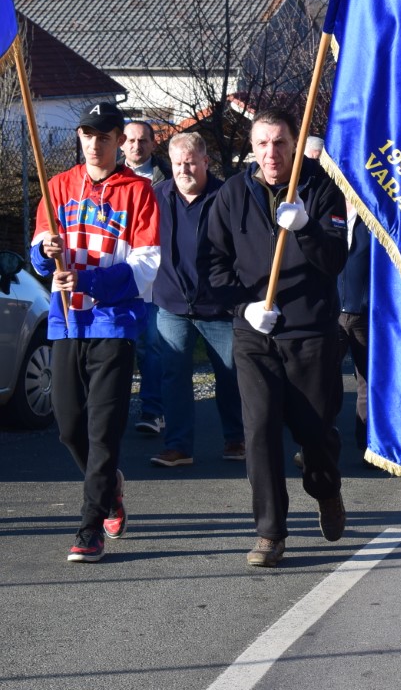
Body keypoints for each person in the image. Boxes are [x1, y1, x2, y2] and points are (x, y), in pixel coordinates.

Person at [205, 108, 348, 568]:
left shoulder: (322, 189)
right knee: (260, 431)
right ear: (252, 147)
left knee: (314, 430)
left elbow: (335, 260)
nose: (271, 152)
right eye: (262, 143)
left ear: (295, 144)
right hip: (255, 333)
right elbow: (212, 264)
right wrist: (242, 306)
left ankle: (326, 488)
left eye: (280, 143)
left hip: (310, 333)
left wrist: (306, 228)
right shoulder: (231, 194)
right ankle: (270, 533)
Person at [30, 102, 160, 562]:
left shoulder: (140, 192)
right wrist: (46, 252)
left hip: (115, 323)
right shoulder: (59, 186)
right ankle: (110, 486)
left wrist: (87, 280)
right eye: (88, 134)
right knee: (69, 429)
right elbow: (37, 254)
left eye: (105, 135)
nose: (95, 142)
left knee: (103, 430)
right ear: (81, 138)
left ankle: (90, 528)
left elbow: (146, 268)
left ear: (119, 141)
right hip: (66, 322)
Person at [149, 132, 244, 468]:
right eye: (177, 163)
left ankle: (237, 439)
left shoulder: (227, 196)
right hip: (172, 304)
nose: (184, 169)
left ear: (206, 161)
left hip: (219, 306)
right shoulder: (157, 196)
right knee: (173, 375)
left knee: (231, 374)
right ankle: (178, 446)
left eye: (190, 162)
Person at [122, 121, 167, 437]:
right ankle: (111, 410)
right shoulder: (106, 179)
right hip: (117, 277)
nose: (136, 146)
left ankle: (152, 411)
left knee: (151, 347)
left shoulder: (169, 180)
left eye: (142, 140)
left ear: (153, 144)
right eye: (130, 140)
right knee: (117, 347)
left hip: (155, 280)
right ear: (121, 144)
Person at [337, 201, 373, 466]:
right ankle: (317, 444)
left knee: (368, 383)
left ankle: (368, 446)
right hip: (329, 312)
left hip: (366, 314)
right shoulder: (327, 209)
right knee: (321, 381)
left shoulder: (374, 213)